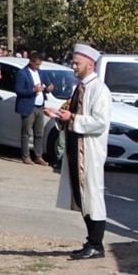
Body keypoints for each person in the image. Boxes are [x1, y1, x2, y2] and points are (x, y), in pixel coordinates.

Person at [45, 44, 112, 260]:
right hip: (76, 147)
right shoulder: (80, 88)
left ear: (90, 64)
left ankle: (96, 244)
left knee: (92, 194)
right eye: (73, 62)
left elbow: (100, 122)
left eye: (77, 63)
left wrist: (71, 118)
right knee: (81, 195)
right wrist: (60, 115)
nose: (73, 66)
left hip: (90, 150)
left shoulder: (99, 90)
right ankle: (91, 241)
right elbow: (72, 114)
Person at [15, 52, 53, 166]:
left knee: (39, 133)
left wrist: (49, 88)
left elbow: (47, 85)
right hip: (28, 106)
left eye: (39, 64)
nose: (38, 66)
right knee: (26, 133)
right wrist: (33, 90)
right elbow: (19, 90)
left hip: (40, 106)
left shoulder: (40, 72)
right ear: (30, 61)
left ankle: (38, 156)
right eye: (36, 64)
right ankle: (26, 156)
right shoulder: (22, 73)